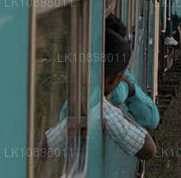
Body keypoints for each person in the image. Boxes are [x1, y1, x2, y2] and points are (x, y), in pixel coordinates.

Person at [44, 26, 156, 160]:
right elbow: (149, 149)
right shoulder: (102, 109)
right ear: (115, 79)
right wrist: (114, 112)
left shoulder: (64, 86)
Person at [104, 17, 160, 130]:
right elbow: (118, 95)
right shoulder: (121, 77)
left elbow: (152, 118)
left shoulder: (123, 74)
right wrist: (128, 86)